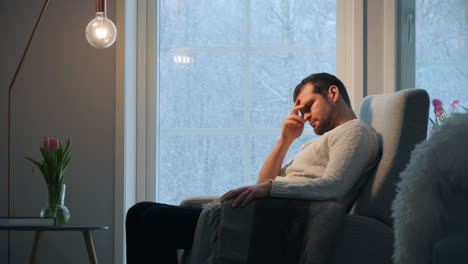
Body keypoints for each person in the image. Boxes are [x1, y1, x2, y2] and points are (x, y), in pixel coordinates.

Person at [125, 72, 380, 264]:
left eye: (308, 105)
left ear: (332, 93)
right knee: (139, 212)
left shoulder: (354, 131)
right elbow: (265, 180)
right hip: (265, 211)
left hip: (280, 219)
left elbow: (336, 186)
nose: (304, 115)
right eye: (299, 110)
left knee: (152, 219)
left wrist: (268, 189)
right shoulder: (315, 144)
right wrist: (285, 139)